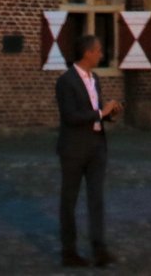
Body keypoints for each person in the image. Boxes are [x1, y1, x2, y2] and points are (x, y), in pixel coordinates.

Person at [56, 33, 121, 267]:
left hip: (96, 146)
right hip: (73, 148)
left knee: (96, 200)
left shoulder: (95, 80)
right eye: (99, 51)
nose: (101, 55)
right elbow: (71, 116)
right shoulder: (66, 81)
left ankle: (99, 248)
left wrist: (109, 115)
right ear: (87, 53)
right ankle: (68, 250)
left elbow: (96, 112)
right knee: (69, 200)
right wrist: (100, 113)